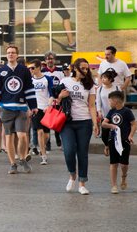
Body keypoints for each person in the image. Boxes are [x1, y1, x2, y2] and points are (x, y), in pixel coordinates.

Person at [57, 58, 99, 195]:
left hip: (84, 122)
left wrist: (95, 124)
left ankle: (82, 183)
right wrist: (60, 95)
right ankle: (72, 175)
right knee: (68, 151)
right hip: (67, 122)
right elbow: (55, 101)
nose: (85, 71)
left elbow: (92, 106)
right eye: (83, 68)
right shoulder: (64, 81)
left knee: (82, 153)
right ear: (74, 68)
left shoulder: (90, 85)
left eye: (87, 68)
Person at [0, 45, 38, 175]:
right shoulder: (1, 71)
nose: (11, 54)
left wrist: (33, 106)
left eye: (13, 53)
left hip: (21, 108)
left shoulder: (24, 70)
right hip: (5, 108)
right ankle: (13, 164)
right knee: (9, 136)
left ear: (17, 55)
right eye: (8, 53)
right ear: (6, 55)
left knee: (22, 136)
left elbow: (29, 89)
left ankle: (23, 158)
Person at [101, 90, 137, 194]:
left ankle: (124, 176)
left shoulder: (127, 111)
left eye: (110, 101)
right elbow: (104, 124)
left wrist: (130, 136)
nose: (109, 103)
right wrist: (111, 126)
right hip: (113, 140)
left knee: (123, 164)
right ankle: (114, 186)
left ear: (115, 101)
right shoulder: (111, 111)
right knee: (113, 163)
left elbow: (134, 124)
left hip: (124, 141)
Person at [29, 59, 54, 165]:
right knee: (39, 132)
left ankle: (41, 148)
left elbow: (52, 94)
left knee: (46, 135)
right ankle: (44, 156)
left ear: (39, 67)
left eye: (33, 67)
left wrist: (49, 106)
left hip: (46, 108)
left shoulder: (47, 79)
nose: (31, 70)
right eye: (30, 68)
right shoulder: (30, 80)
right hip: (36, 108)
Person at [41, 51, 65, 151]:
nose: (50, 60)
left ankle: (58, 137)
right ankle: (48, 143)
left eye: (51, 58)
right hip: (47, 100)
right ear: (45, 60)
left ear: (54, 60)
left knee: (57, 120)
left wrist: (60, 97)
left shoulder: (60, 71)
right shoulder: (43, 71)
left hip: (58, 99)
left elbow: (64, 84)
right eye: (48, 59)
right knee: (47, 121)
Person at [96, 69, 120, 156]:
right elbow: (98, 101)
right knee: (104, 134)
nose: (102, 79)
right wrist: (99, 111)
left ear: (110, 79)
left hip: (116, 115)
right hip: (104, 114)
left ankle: (115, 149)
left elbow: (121, 101)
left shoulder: (117, 88)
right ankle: (106, 145)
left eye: (105, 78)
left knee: (116, 133)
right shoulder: (100, 89)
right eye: (102, 78)